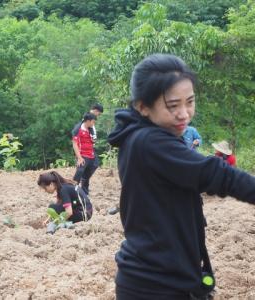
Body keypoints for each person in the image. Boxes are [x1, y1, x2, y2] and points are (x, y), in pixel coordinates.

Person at [108, 54, 255, 300]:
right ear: (142, 106)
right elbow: (217, 174)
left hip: (161, 278)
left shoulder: (139, 136)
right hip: (156, 286)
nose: (184, 114)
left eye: (190, 102)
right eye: (172, 106)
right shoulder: (150, 142)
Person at [72, 112, 98, 195]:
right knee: (79, 172)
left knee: (87, 176)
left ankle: (84, 193)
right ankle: (73, 190)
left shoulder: (91, 129)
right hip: (83, 155)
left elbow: (93, 141)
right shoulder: (78, 129)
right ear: (88, 121)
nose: (94, 124)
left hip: (91, 155)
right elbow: (75, 144)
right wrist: (79, 158)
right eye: (93, 122)